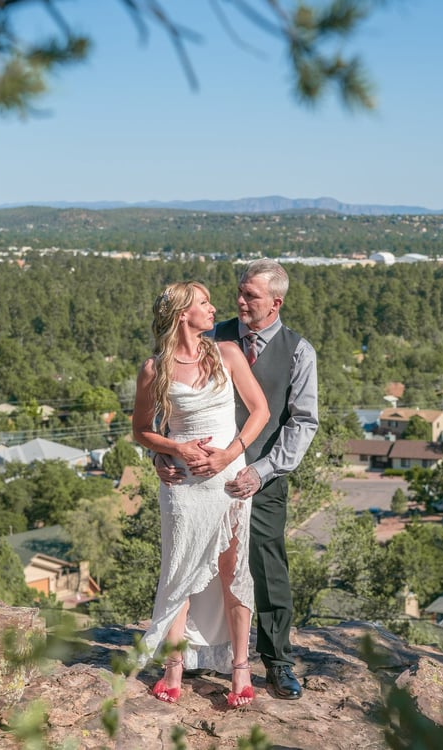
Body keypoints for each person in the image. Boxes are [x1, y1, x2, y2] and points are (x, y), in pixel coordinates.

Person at [158, 259, 319, 700]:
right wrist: (161, 453)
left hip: (262, 477)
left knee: (265, 567)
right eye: (240, 292)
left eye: (251, 295)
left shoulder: (299, 352)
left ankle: (278, 662)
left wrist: (261, 470)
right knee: (195, 566)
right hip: (199, 481)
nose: (240, 301)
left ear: (276, 302)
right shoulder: (212, 335)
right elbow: (170, 402)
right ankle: (195, 655)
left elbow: (303, 422)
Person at [132, 281, 269, 708]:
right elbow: (141, 430)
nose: (214, 309)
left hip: (228, 482)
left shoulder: (227, 353)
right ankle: (174, 668)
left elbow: (260, 410)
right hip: (182, 487)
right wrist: (174, 449)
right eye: (204, 303)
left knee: (233, 571)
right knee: (180, 572)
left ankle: (240, 668)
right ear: (181, 314)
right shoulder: (154, 369)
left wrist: (229, 453)